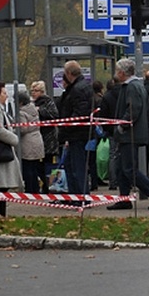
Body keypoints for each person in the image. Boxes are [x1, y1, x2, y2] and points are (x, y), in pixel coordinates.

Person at [106, 58, 149, 211]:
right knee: (121, 168)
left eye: (117, 71)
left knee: (129, 168)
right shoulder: (135, 85)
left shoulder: (131, 87)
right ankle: (124, 198)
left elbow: (133, 109)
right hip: (131, 133)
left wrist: (123, 125)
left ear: (122, 72)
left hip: (129, 134)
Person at [57, 60, 94, 196]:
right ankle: (75, 195)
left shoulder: (77, 89)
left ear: (68, 73)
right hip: (76, 134)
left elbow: (80, 113)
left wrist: (67, 126)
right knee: (70, 164)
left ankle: (81, 196)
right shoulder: (82, 86)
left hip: (76, 134)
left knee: (77, 167)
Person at [0, 82, 23, 217]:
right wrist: (14, 139)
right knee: (0, 187)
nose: (6, 96)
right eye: (4, 93)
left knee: (1, 188)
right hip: (0, 154)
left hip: (0, 153)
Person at [30, 80, 58, 194]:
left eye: (36, 91)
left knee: (48, 164)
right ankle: (43, 184)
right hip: (37, 137)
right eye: (32, 90)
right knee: (38, 165)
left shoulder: (48, 101)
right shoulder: (31, 103)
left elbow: (54, 115)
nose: (33, 93)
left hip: (48, 139)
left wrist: (40, 111)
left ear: (42, 91)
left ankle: (49, 186)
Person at [16, 90, 45, 194]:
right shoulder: (34, 109)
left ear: (20, 102)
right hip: (37, 139)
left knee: (28, 168)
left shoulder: (21, 113)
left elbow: (23, 129)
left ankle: (30, 190)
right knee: (35, 167)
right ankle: (36, 189)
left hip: (27, 142)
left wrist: (15, 129)